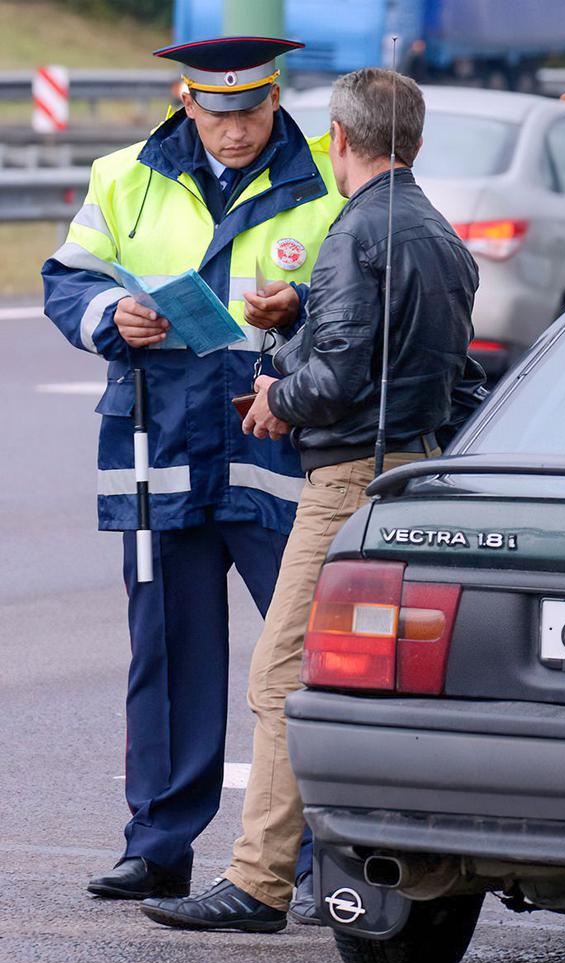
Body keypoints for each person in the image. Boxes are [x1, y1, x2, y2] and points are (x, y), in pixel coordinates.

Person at [142, 67, 479, 933]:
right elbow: (420, 362)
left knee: (282, 675)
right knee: (364, 682)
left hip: (345, 482)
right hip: (415, 470)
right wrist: (300, 317)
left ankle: (258, 882)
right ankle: (347, 867)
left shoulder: (356, 229)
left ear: (338, 137)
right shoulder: (438, 234)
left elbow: (342, 372)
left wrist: (273, 396)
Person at [41, 37, 345, 905]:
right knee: (167, 655)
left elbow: (364, 292)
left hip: (274, 449)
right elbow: (68, 277)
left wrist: (303, 306)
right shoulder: (124, 175)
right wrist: (111, 313)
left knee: (307, 662)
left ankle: (323, 855)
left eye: (251, 112)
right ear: (186, 101)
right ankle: (159, 844)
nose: (237, 131)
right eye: (219, 114)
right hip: (159, 446)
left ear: (274, 99)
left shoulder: (324, 177)